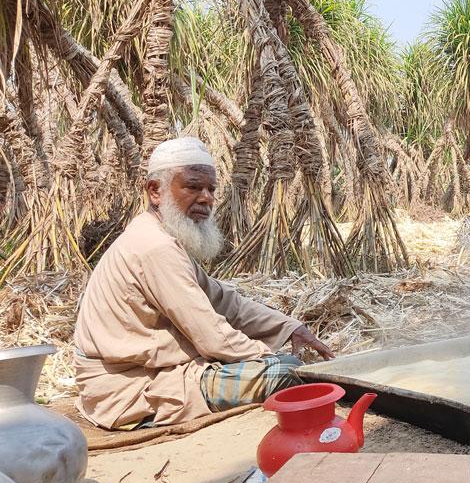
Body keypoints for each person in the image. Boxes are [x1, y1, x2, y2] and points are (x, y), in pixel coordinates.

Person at [73, 137, 334, 429]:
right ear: (155, 191)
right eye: (193, 187)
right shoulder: (154, 247)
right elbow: (211, 336)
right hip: (129, 388)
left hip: (150, 375)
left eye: (211, 189)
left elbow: (225, 302)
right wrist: (268, 356)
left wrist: (290, 327)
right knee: (286, 372)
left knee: (282, 367)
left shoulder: (163, 238)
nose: (206, 198)